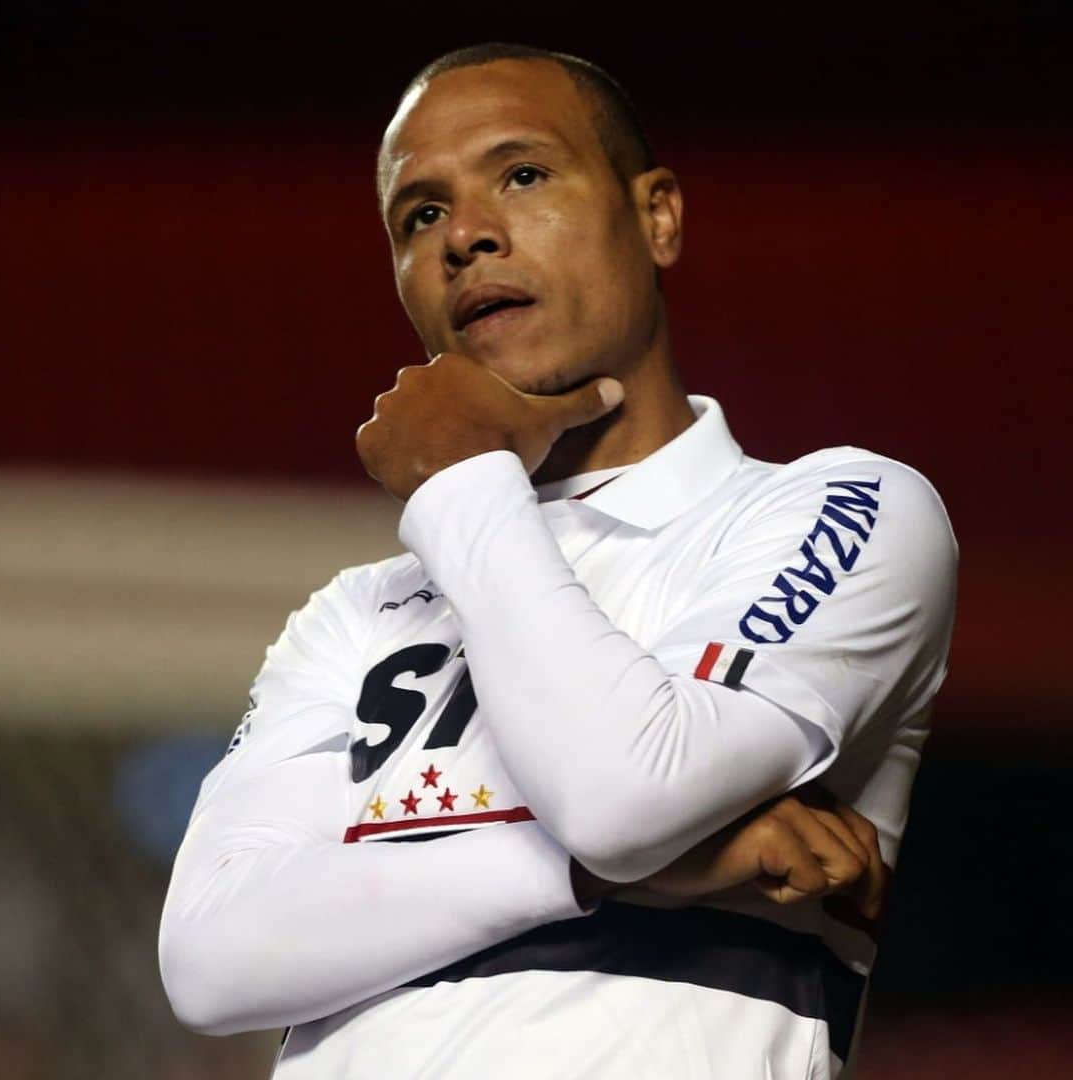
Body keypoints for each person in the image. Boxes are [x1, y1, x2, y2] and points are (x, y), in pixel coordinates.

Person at [159, 43, 957, 1078]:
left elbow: (627, 798)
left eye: (523, 174)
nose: (467, 236)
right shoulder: (365, 612)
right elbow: (210, 959)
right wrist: (618, 875)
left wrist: (459, 475)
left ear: (657, 216)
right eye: (420, 215)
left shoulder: (841, 505)